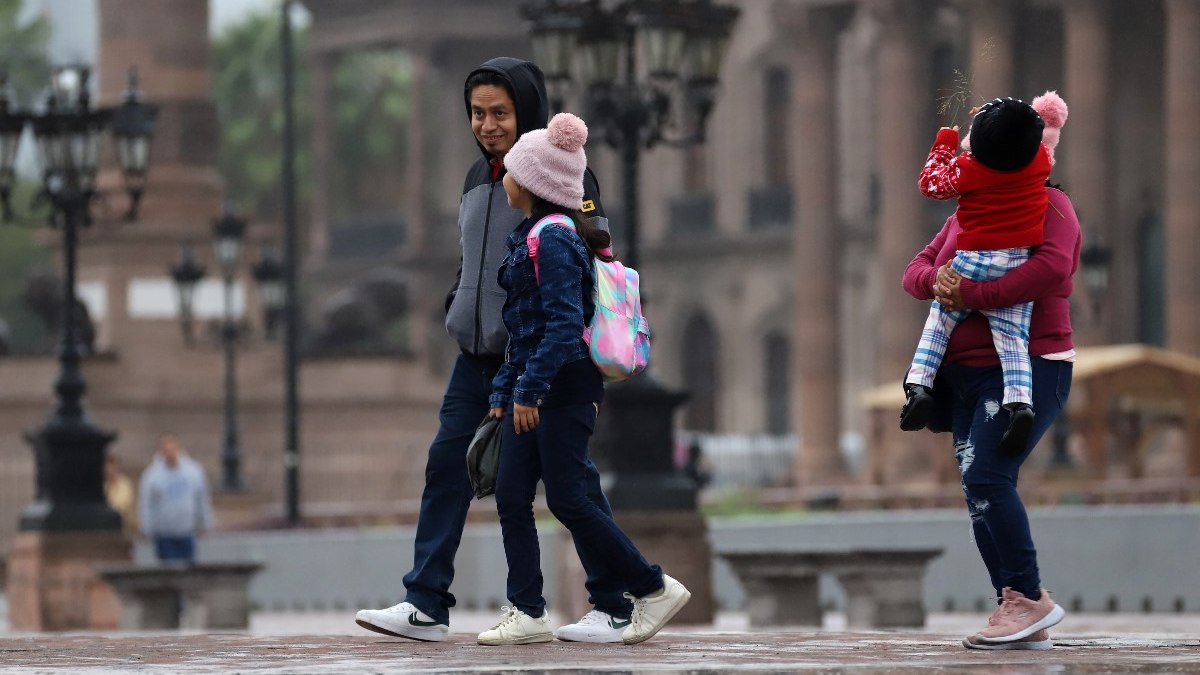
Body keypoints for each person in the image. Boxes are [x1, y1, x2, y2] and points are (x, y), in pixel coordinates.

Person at [354, 57, 632, 644]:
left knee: (570, 485)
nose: (487, 125)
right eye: (477, 113)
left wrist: (572, 365)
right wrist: (460, 302)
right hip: (475, 359)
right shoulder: (475, 178)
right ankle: (426, 602)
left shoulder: (562, 176)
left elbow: (592, 266)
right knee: (447, 466)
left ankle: (615, 601)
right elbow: (473, 260)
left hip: (534, 362)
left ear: (525, 111)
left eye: (500, 113)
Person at [478, 111, 689, 647]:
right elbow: (522, 329)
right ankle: (527, 611)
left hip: (561, 389)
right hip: (534, 389)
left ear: (530, 181)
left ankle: (651, 586)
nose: (502, 175)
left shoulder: (553, 239)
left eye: (511, 169)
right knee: (510, 494)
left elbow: (564, 326)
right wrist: (504, 395)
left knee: (570, 499)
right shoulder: (532, 234)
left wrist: (529, 390)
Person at [902, 178, 1078, 650]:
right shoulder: (968, 212)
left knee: (987, 477)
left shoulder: (1052, 205)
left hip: (1029, 367)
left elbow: (1053, 269)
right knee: (976, 486)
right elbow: (917, 267)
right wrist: (934, 281)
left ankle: (1028, 598)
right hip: (964, 376)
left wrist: (972, 295)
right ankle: (1019, 610)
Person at [901, 92, 1068, 457]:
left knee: (938, 324)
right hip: (1013, 260)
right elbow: (1025, 133)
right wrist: (998, 120)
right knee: (1013, 343)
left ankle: (918, 386)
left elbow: (931, 182)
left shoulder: (969, 170)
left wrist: (945, 143)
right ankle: (1020, 405)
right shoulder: (1038, 161)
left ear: (975, 147)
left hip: (973, 260)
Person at [137, 435, 213, 563]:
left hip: (186, 531)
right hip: (164, 533)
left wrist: (203, 522)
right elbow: (147, 503)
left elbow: (201, 497)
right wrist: (146, 527)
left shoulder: (193, 471)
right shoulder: (152, 475)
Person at [104, 452, 137, 535]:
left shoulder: (125, 484)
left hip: (122, 528)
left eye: (113, 466)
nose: (110, 470)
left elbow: (126, 505)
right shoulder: (101, 485)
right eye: (108, 467)